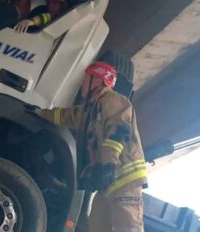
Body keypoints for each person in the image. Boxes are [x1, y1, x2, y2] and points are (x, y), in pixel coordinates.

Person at [35, 61, 148, 232]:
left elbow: (118, 131)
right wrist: (39, 112)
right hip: (107, 183)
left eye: (86, 78)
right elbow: (67, 117)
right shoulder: (91, 110)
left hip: (124, 180)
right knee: (97, 226)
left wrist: (107, 164)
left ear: (98, 80)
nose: (82, 83)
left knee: (128, 226)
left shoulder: (114, 100)